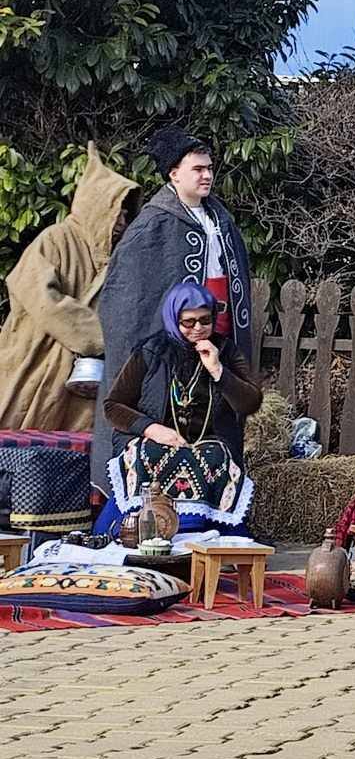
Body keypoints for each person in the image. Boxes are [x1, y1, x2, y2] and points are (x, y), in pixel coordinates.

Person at [96, 127, 256, 497]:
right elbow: (126, 298)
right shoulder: (153, 224)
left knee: (218, 419)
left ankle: (217, 503)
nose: (207, 175)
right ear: (174, 174)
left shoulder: (220, 218)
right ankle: (155, 507)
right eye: (197, 169)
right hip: (173, 347)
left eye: (209, 168)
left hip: (219, 336)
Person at [99, 283, 262, 536]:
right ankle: (141, 528)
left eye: (205, 320)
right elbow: (113, 406)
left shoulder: (225, 351)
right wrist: (151, 428)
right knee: (150, 453)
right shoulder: (151, 351)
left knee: (212, 457)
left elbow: (250, 403)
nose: (198, 328)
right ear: (174, 320)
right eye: (189, 322)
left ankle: (196, 530)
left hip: (210, 439)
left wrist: (218, 370)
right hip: (156, 438)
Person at [0, 143, 138, 432]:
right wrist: (103, 336)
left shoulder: (119, 260)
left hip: (84, 379)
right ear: (98, 206)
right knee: (18, 435)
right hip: (37, 359)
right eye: (118, 213)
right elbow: (42, 297)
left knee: (75, 442)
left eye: (127, 215)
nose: (123, 223)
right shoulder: (55, 239)